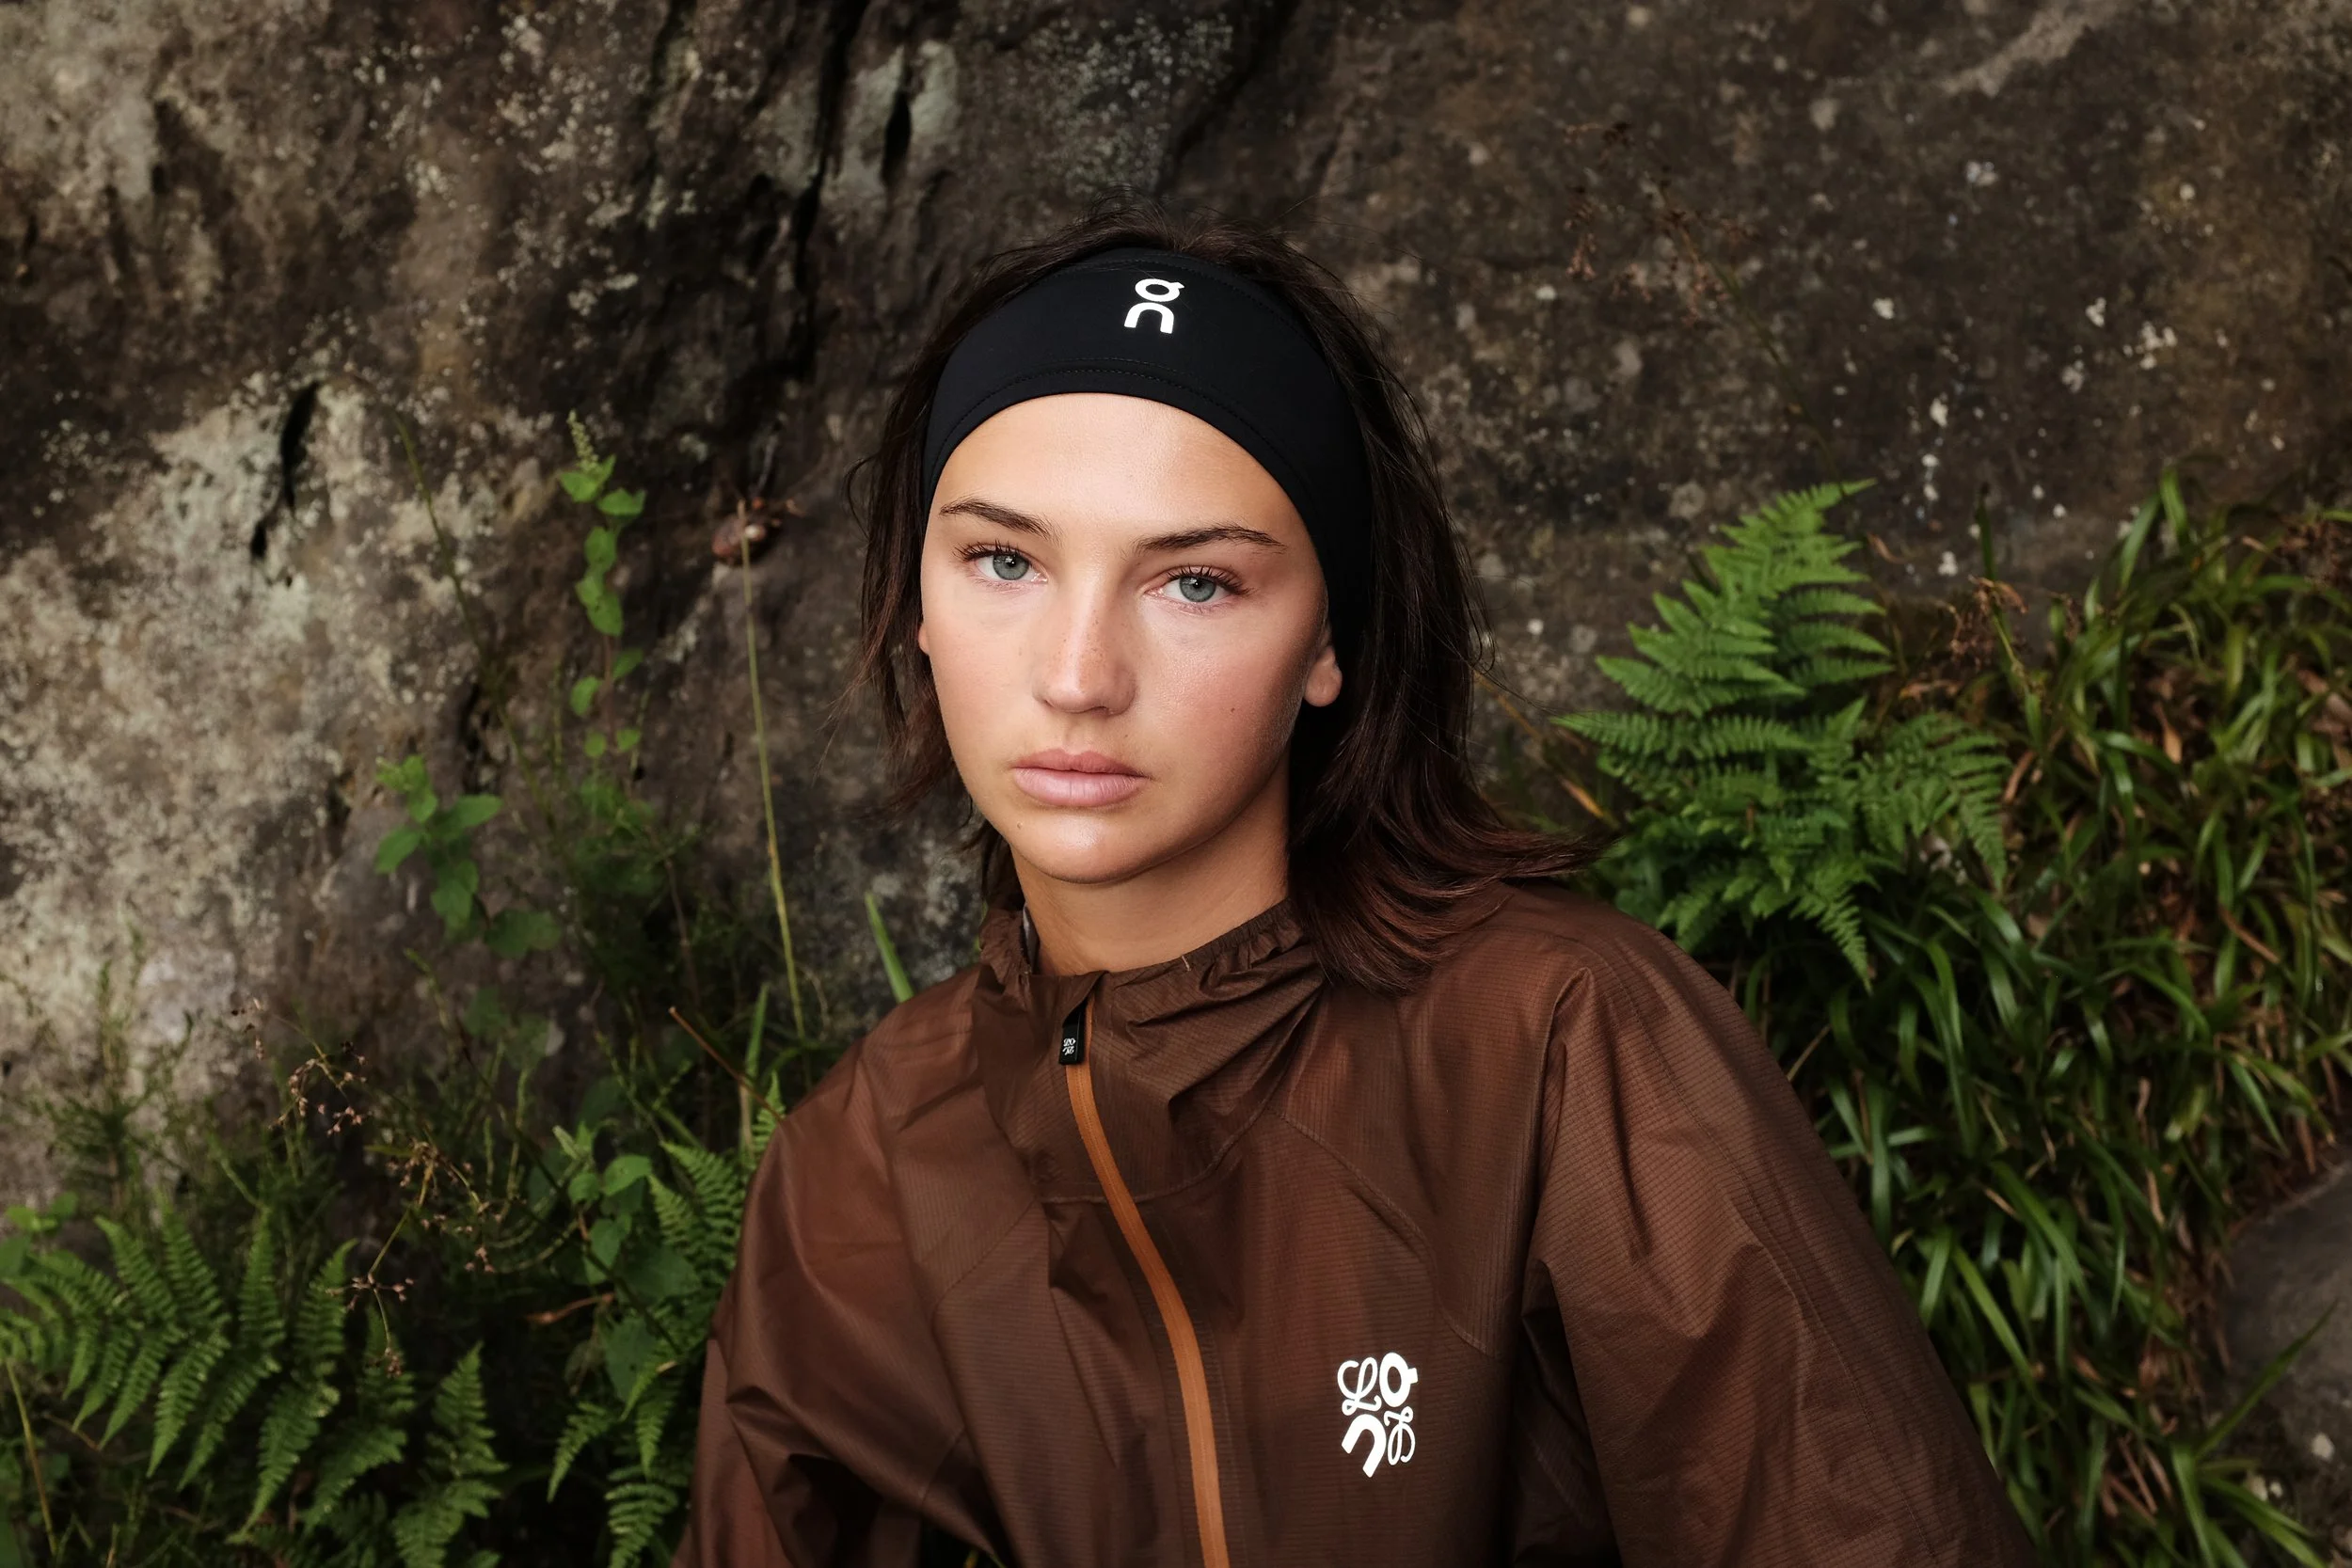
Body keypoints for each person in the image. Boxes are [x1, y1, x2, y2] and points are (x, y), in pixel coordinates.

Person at [671, 197, 2037, 1568]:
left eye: (1194, 582)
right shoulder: (855, 1174)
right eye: (1005, 560)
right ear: (917, 600)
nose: (1078, 675)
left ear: (1329, 641)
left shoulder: (1560, 1041)